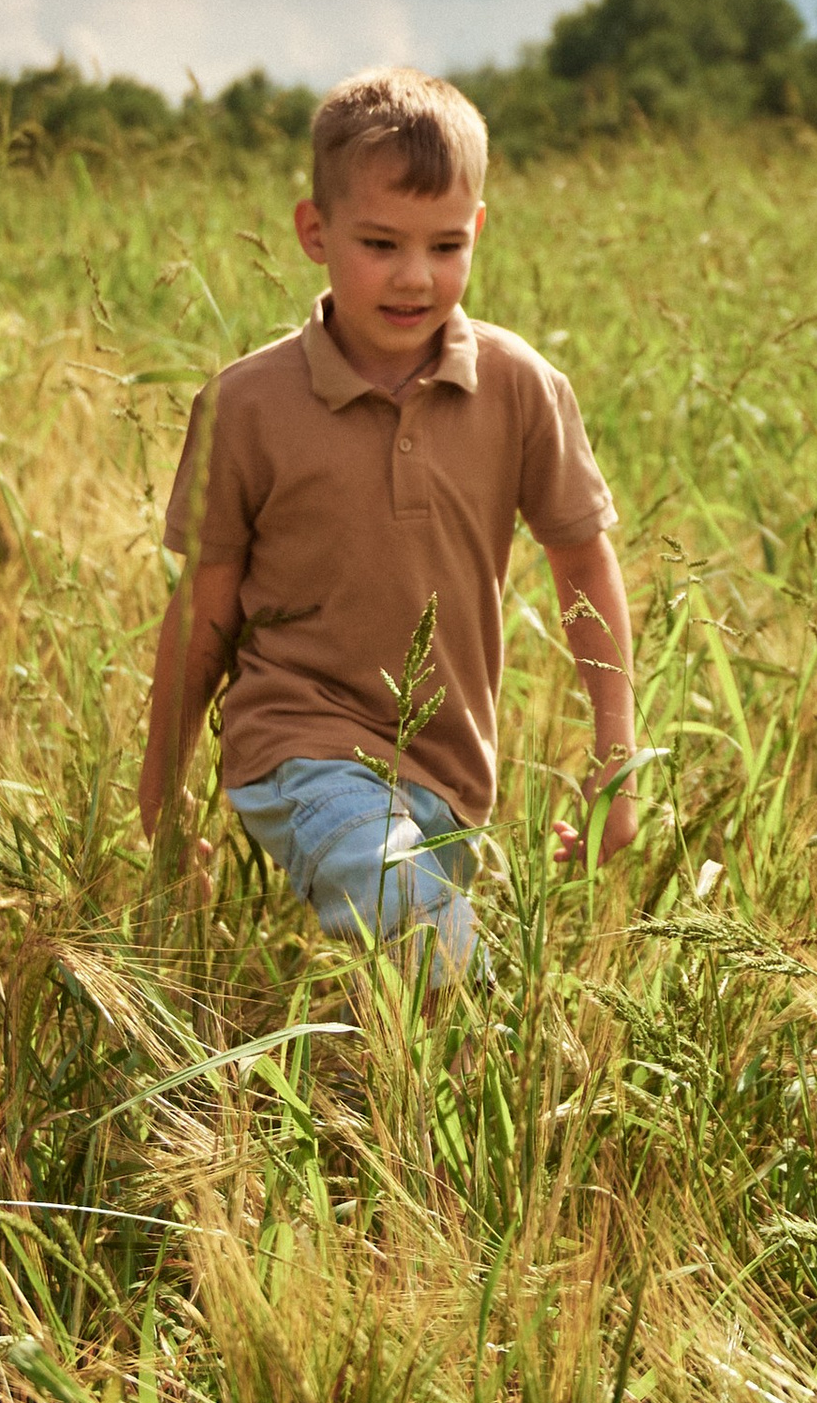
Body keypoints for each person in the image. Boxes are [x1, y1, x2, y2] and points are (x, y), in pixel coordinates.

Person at [138, 66, 635, 981]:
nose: (416, 276)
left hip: (448, 769)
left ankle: (382, 1109)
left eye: (446, 245)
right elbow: (203, 606)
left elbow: (583, 564)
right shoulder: (247, 405)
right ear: (314, 232)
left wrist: (618, 761)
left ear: (479, 231)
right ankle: (519, 1045)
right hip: (298, 741)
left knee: (410, 999)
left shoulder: (520, 387)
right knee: (418, 921)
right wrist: (161, 799)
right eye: (380, 242)